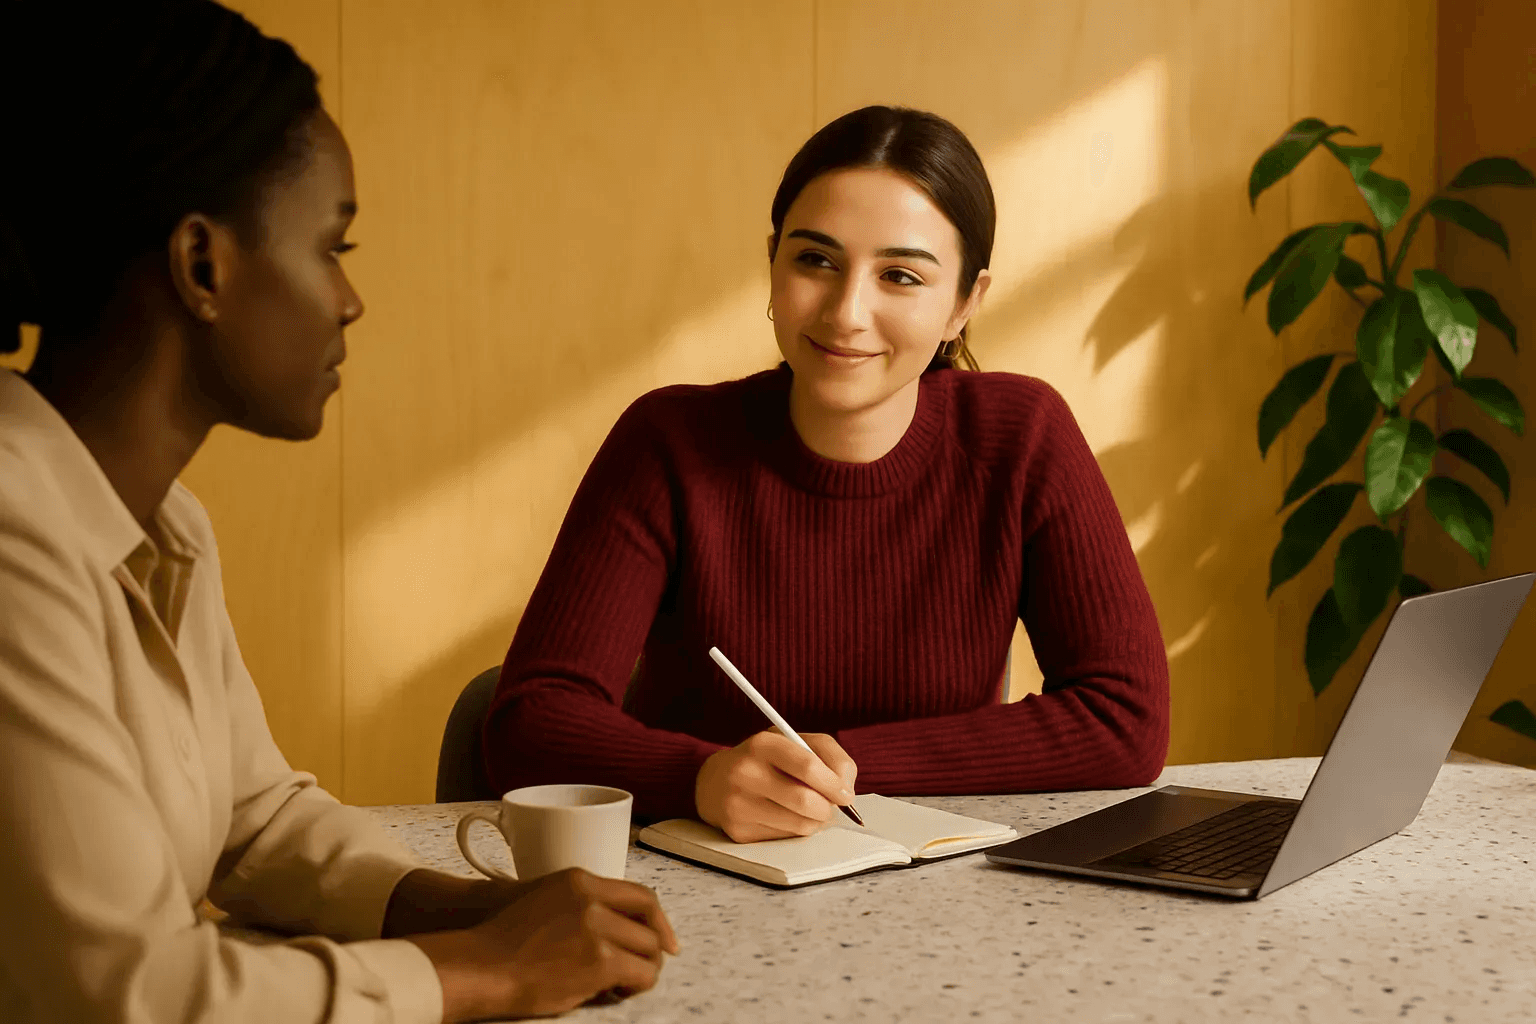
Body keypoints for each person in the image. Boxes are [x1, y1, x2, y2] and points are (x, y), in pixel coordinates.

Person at [0, 3, 677, 1022]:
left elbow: (255, 816)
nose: (350, 300)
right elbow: (126, 993)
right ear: (203, 265)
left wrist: (475, 910)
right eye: (332, 245)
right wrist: (487, 972)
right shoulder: (12, 535)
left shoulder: (166, 524)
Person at [483, 105, 1171, 844]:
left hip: (933, 882)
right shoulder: (668, 442)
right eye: (815, 261)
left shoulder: (1023, 437)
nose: (847, 312)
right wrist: (702, 778)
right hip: (694, 887)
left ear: (965, 304)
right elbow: (529, 723)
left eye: (901, 276)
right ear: (773, 267)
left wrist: (849, 764)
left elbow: (1124, 717)